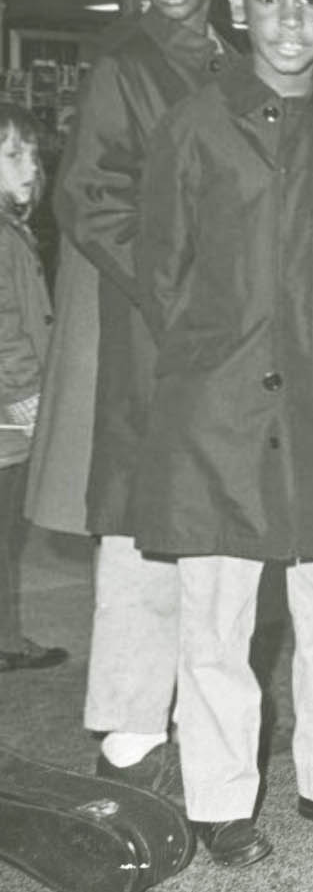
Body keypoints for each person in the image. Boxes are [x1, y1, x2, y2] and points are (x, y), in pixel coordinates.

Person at [135, 0, 313, 867]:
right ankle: (219, 799)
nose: (291, 19)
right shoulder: (194, 125)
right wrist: (224, 354)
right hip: (220, 408)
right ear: (240, 6)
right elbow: (161, 269)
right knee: (218, 622)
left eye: (311, 0)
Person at [29, 0, 236, 797]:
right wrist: (177, 283)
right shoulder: (123, 65)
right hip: (156, 339)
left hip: (234, 352)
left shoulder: (242, 61)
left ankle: (203, 721)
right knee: (142, 541)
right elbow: (88, 197)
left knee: (218, 545)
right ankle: (125, 734)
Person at [0, 104, 67, 674]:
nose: (30, 166)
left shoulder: (11, 229)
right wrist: (25, 390)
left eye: (32, 154)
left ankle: (7, 637)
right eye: (12, 155)